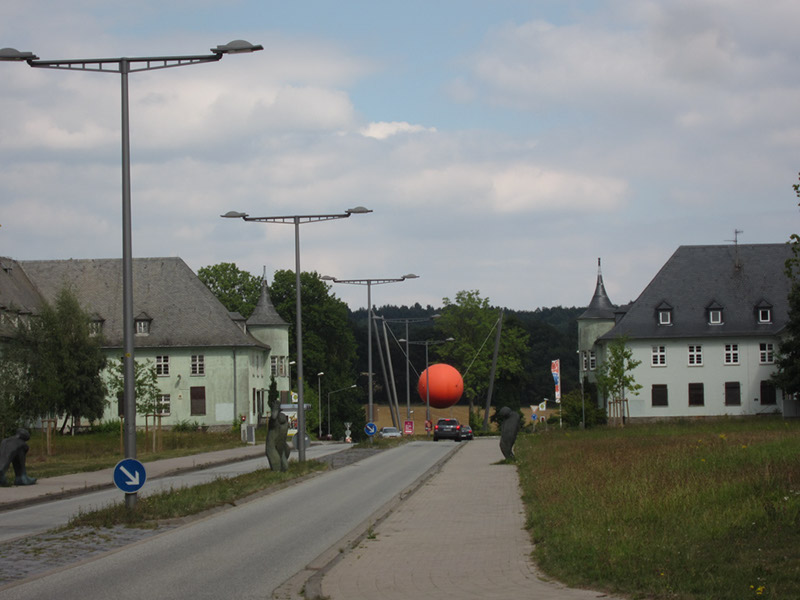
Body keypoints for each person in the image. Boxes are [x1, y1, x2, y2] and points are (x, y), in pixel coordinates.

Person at [265, 397, 290, 472]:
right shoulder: (273, 422)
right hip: (272, 446)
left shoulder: (284, 424)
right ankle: (275, 476)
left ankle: (282, 477)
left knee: (285, 467)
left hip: (281, 446)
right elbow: (273, 418)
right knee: (276, 464)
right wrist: (275, 409)